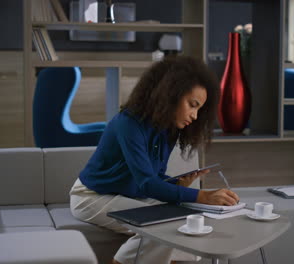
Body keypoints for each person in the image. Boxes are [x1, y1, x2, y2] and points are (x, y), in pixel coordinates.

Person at [69, 56, 240, 264]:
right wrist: (201, 195)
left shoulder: (168, 129)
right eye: (192, 105)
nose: (195, 116)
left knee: (187, 224)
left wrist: (175, 184)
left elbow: (154, 175)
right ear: (170, 94)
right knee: (163, 229)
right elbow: (147, 183)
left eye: (199, 110)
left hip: (127, 193)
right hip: (92, 197)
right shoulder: (128, 124)